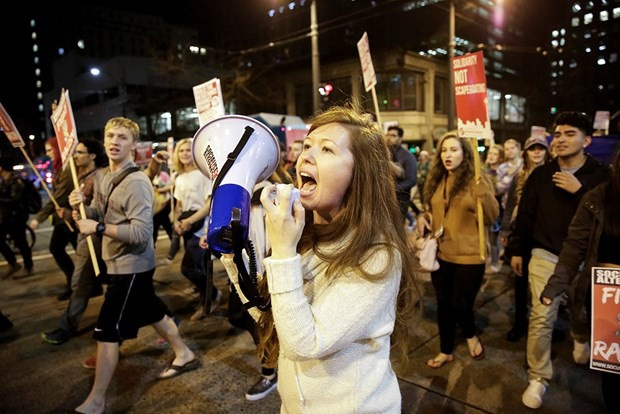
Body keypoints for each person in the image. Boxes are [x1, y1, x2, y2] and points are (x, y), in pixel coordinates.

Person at [220, 106, 419, 413]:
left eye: (327, 149)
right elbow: (272, 318)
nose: (306, 156)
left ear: (360, 174)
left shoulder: (378, 254)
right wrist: (234, 258)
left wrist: (283, 252)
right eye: (308, 145)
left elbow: (304, 343)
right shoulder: (303, 234)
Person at [69, 117, 197, 414]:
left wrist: (98, 228)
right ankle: (184, 352)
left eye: (123, 137)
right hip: (115, 262)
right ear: (103, 140)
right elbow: (94, 217)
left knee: (107, 332)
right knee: (152, 310)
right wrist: (79, 205)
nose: (115, 141)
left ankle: (96, 401)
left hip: (132, 266)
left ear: (133, 145)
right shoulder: (101, 176)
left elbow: (141, 234)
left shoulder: (138, 182)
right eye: (110, 135)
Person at [508, 111, 611, 409]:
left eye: (570, 134)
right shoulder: (541, 175)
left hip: (587, 257)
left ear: (587, 140)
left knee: (580, 308)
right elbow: (526, 215)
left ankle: (580, 335)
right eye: (558, 134)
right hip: (545, 253)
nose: (561, 140)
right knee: (541, 316)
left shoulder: (602, 176)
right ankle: (538, 376)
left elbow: (610, 218)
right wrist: (517, 249)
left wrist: (582, 192)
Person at [540, 149, 620, 413]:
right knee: (613, 375)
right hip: (607, 299)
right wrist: (556, 284)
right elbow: (574, 246)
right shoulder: (598, 197)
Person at [417, 132, 499, 368]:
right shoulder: (438, 179)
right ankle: (446, 350)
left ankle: (470, 333)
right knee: (443, 304)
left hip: (470, 257)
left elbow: (492, 217)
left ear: (465, 153)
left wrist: (482, 190)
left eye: (453, 150)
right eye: (444, 150)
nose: (447, 155)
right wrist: (425, 217)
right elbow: (434, 210)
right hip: (441, 254)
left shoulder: (477, 181)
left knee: (461, 304)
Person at [41, 138, 108, 345]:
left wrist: (76, 212)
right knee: (101, 282)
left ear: (92, 156)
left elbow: (98, 212)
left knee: (79, 282)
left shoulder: (98, 178)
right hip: (84, 236)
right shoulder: (81, 176)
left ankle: (66, 327)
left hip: (93, 238)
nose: (75, 156)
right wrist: (69, 213)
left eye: (80, 152)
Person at [500, 136, 549, 342]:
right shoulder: (519, 177)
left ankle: (544, 325)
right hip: (521, 233)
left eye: (540, 148)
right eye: (532, 149)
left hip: (544, 237)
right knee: (520, 282)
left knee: (544, 285)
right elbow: (510, 205)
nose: (536, 152)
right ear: (526, 153)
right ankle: (520, 323)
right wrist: (505, 232)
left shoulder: (553, 174)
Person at [171, 138, 219, 321]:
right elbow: (179, 205)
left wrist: (190, 220)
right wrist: (177, 221)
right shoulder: (179, 178)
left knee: (189, 268)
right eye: (181, 150)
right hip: (187, 227)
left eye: (187, 150)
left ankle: (212, 296)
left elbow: (209, 204)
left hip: (202, 227)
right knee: (198, 267)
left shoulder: (203, 174)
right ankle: (206, 300)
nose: (184, 153)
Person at [30, 137, 77, 301]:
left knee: (84, 254)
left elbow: (58, 197)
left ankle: (84, 285)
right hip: (61, 219)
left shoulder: (68, 170)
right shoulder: (59, 168)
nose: (48, 154)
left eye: (50, 150)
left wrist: (39, 218)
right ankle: (76, 284)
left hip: (72, 218)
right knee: (57, 249)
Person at [0, 156, 34, 277]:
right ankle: (13, 263)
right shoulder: (4, 180)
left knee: (21, 242)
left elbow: (15, 200)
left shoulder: (15, 181)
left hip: (17, 216)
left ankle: (28, 267)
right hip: (7, 218)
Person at [386, 126, 418, 219]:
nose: (389, 137)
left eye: (393, 135)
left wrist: (394, 188)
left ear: (400, 138)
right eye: (388, 134)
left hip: (400, 200)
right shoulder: (385, 153)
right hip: (386, 200)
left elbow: (412, 180)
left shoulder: (408, 157)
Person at [484, 144, 505, 274]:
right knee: (489, 237)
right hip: (487, 206)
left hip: (499, 208)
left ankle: (495, 262)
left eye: (495, 154)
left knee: (495, 237)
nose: (491, 156)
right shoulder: (485, 170)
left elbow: (498, 190)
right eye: (490, 153)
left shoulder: (502, 172)